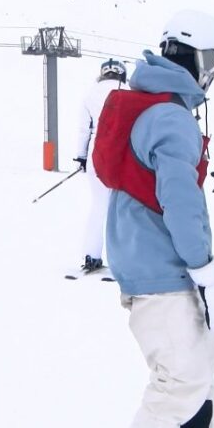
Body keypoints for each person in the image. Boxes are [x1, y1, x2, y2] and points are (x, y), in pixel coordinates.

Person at [102, 11, 214, 428]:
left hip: (152, 260)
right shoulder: (171, 118)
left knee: (201, 364)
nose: (211, 78)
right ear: (201, 62)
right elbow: (182, 202)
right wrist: (206, 271)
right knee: (178, 379)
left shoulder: (153, 107)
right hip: (163, 269)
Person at [72, 59, 126, 273]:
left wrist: (81, 156)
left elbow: (84, 129)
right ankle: (122, 259)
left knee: (98, 206)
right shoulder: (128, 91)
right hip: (122, 153)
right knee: (122, 208)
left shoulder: (90, 93)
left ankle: (91, 255)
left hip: (97, 153)